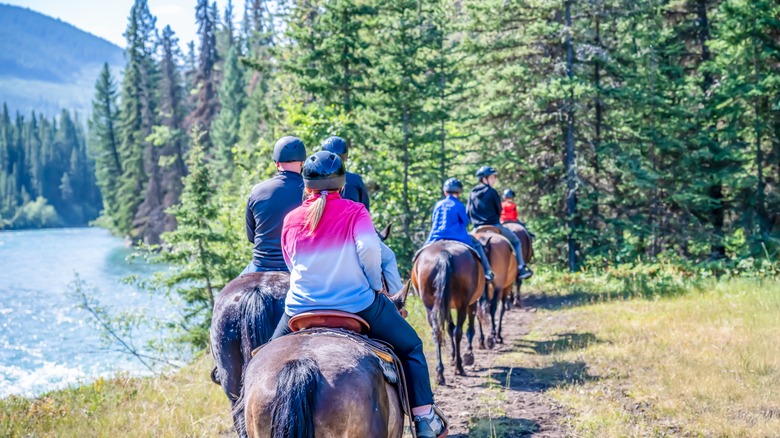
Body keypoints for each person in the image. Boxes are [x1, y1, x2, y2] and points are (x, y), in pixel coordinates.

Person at [270, 151, 448, 438]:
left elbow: (290, 261)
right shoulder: (356, 211)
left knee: (263, 357)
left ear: (306, 186)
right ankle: (424, 419)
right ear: (342, 185)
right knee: (411, 347)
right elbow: (369, 250)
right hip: (356, 304)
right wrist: (373, 284)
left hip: (300, 307)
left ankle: (244, 416)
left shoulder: (291, 218)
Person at [321, 135, 404, 295]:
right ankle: (397, 301)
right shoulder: (354, 179)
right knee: (389, 258)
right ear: (345, 157)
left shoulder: (313, 181)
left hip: (324, 238)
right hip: (354, 236)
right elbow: (365, 210)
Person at [241, 136, 306, 275]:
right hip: (297, 266)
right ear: (302, 163)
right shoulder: (312, 193)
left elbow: (251, 236)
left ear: (276, 163)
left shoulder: (257, 190)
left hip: (261, 264)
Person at [467, 166, 533, 280]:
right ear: (484, 179)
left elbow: (468, 211)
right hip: (494, 225)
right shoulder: (492, 192)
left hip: (476, 228)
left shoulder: (472, 193)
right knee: (516, 241)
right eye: (492, 177)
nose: (494, 180)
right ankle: (521, 268)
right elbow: (498, 209)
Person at [425, 178, 495, 281]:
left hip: (436, 236)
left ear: (445, 192)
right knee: (478, 245)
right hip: (458, 237)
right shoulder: (459, 205)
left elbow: (433, 220)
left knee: (422, 251)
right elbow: (466, 222)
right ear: (459, 192)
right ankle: (487, 271)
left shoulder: (438, 205)